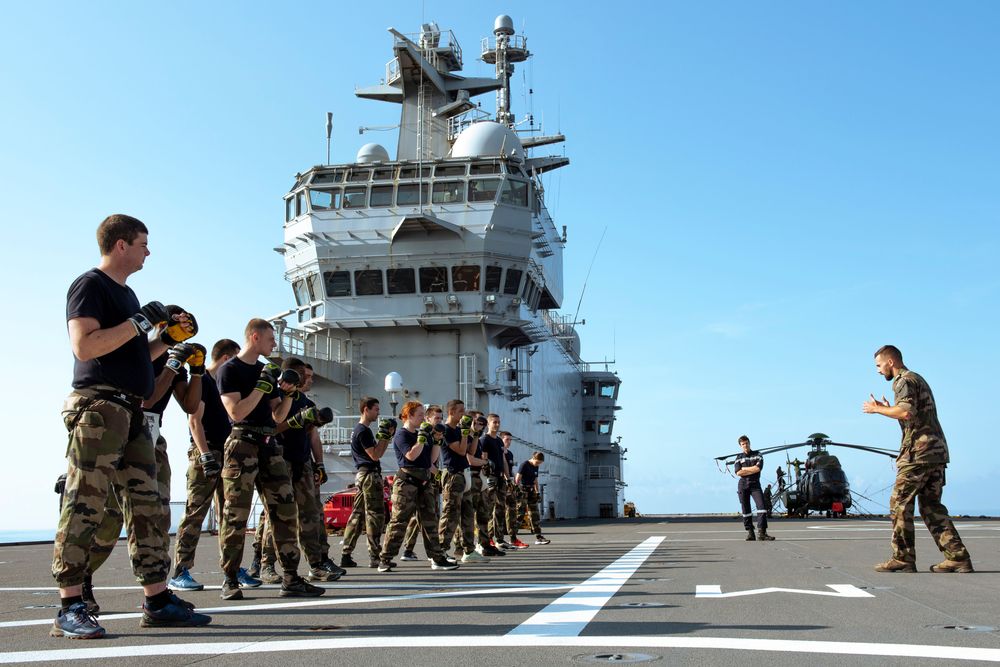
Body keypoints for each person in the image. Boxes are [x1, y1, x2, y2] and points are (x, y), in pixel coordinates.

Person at [54, 214, 210, 638]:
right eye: (143, 243)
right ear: (121, 245)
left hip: (132, 412)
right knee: (85, 502)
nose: (148, 251)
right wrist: (142, 322)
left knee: (150, 508)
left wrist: (167, 340)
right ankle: (70, 604)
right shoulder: (90, 285)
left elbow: (136, 353)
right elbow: (85, 344)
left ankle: (157, 598)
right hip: (99, 406)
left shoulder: (128, 295)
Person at [86, 341, 205, 610]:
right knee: (111, 517)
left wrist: (196, 371)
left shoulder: (174, 362)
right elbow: (147, 397)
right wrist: (173, 363)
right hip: (125, 433)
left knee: (158, 516)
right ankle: (83, 580)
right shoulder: (140, 355)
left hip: (153, 438)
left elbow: (190, 404)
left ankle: (158, 592)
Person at [216, 318, 324, 600]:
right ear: (254, 337)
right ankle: (229, 578)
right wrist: (262, 387)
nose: (274, 343)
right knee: (235, 515)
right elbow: (236, 413)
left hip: (269, 444)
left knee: (286, 512)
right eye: (270, 339)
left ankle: (290, 577)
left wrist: (289, 393)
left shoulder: (267, 371)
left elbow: (278, 416)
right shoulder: (230, 370)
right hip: (242, 443)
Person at [863, 345, 973, 573]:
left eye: (878, 365)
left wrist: (876, 410)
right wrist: (888, 409)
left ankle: (903, 557)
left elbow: (905, 412)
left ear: (890, 362)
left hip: (918, 454)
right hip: (936, 452)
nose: (877, 370)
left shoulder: (903, 381)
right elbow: (912, 413)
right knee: (931, 506)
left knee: (899, 503)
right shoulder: (916, 379)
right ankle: (957, 556)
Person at [171, 339, 261, 591]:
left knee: (230, 515)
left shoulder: (225, 384)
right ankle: (181, 570)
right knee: (195, 512)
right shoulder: (204, 383)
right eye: (234, 359)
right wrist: (204, 455)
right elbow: (194, 421)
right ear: (225, 358)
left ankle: (232, 568)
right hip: (207, 453)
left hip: (229, 453)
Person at [257, 358, 342, 584]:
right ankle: (267, 565)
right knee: (278, 516)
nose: (309, 379)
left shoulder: (305, 400)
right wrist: (295, 420)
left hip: (302, 462)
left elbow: (312, 434)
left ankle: (316, 565)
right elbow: (274, 426)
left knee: (310, 514)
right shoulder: (275, 395)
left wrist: (320, 464)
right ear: (294, 374)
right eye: (306, 375)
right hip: (280, 459)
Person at [378, 401, 458, 571]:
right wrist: (421, 438)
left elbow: (432, 459)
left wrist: (436, 441)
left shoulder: (424, 433)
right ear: (409, 415)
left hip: (425, 481)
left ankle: (437, 558)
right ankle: (385, 559)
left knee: (430, 521)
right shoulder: (402, 434)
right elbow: (411, 456)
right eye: (420, 415)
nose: (423, 418)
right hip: (406, 482)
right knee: (399, 522)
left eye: (423, 414)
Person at [341, 397, 394, 568]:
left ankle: (346, 554)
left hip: (363, 475)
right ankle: (375, 557)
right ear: (366, 409)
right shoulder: (363, 431)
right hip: (370, 475)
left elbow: (377, 452)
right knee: (374, 516)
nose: (378, 413)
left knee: (357, 516)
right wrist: (385, 436)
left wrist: (386, 436)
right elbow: (375, 455)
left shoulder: (358, 430)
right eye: (376, 409)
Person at [436, 401, 484, 564]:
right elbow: (461, 450)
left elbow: (470, 451)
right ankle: (440, 551)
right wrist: (465, 433)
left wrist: (475, 433)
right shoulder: (447, 430)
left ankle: (469, 550)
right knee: (450, 515)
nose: (464, 415)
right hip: (453, 475)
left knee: (468, 514)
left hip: (464, 474)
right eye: (461, 411)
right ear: (451, 412)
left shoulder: (458, 430)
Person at [401, 405, 446, 562]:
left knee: (428, 516)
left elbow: (433, 459)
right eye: (436, 418)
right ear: (428, 419)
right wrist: (440, 475)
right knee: (420, 517)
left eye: (441, 418)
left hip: (430, 479)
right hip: (423, 478)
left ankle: (424, 550)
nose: (439, 421)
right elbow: (426, 462)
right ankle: (409, 549)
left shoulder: (434, 435)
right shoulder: (423, 434)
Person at [480, 414, 512, 550]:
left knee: (500, 509)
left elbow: (504, 460)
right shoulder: (484, 440)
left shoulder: (499, 441)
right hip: (491, 478)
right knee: (489, 508)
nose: (497, 424)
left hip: (500, 478)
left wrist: (508, 477)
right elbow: (484, 460)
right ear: (488, 424)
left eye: (498, 422)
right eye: (494, 422)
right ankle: (487, 539)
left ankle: (499, 539)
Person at [734, 435, 773, 541]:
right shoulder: (738, 457)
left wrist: (745, 469)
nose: (745, 445)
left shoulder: (758, 455)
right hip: (743, 485)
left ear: (749, 443)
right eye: (743, 444)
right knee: (746, 510)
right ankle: (750, 532)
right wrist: (751, 469)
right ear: (740, 446)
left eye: (746, 443)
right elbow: (738, 472)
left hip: (755, 485)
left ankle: (762, 533)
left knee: (762, 507)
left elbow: (758, 468)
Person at [501, 432, 529, 549]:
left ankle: (513, 538)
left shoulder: (510, 454)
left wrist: (513, 483)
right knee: (497, 512)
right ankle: (494, 539)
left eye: (510, 440)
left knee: (512, 510)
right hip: (500, 484)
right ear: (501, 440)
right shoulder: (499, 452)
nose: (509, 442)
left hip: (509, 484)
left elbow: (510, 470)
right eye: (507, 439)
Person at [515, 451, 550, 545]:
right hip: (523, 490)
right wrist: (516, 490)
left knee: (535, 515)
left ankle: (539, 537)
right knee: (520, 514)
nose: (538, 464)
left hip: (531, 491)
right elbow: (517, 478)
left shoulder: (536, 466)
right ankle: (512, 537)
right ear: (533, 458)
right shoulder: (524, 465)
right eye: (537, 462)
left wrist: (537, 492)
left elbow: (535, 480)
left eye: (540, 463)